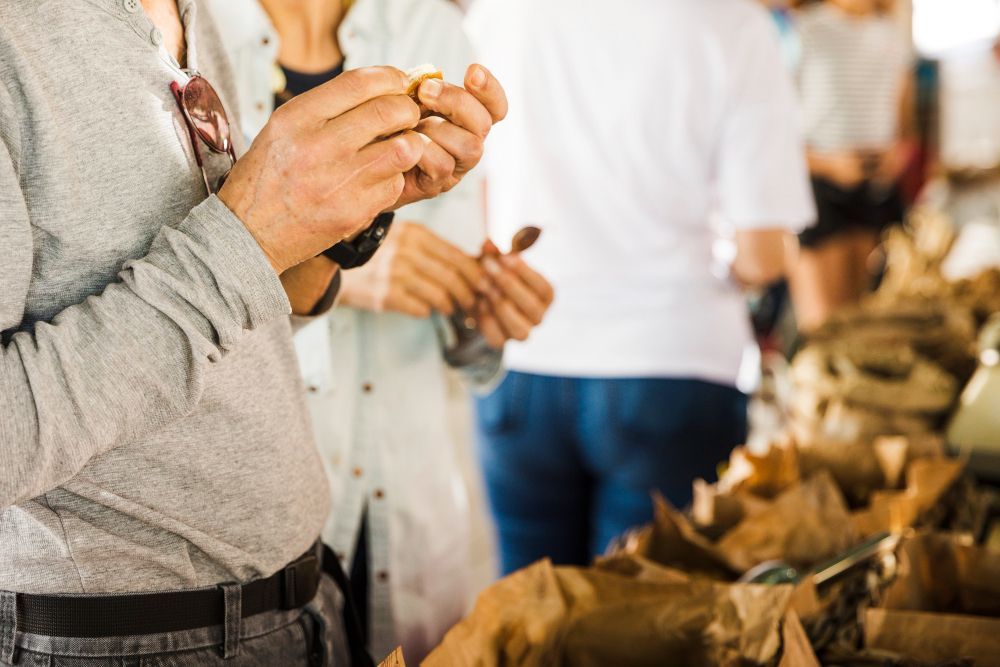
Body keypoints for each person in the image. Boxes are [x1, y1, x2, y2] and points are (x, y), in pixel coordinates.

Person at [0, 0, 508, 665]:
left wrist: (350, 210)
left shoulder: (189, 10)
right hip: (116, 639)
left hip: (299, 608)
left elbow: (243, 317)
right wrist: (244, 236)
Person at [207, 0, 553, 660]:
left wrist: (483, 311)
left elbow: (455, 296)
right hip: (255, 522)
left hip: (413, 488)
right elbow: (168, 308)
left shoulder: (431, 30)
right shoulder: (191, 30)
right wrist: (343, 264)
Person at [466, 0, 816, 575]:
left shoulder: (501, 12)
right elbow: (761, 255)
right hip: (673, 359)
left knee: (525, 623)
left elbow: (473, 203)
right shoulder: (731, 23)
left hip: (521, 356)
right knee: (643, 622)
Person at [788, 0, 915, 332]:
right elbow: (772, 132)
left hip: (875, 189)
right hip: (819, 187)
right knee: (823, 331)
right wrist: (829, 166)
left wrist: (895, 155)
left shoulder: (892, 32)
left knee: (869, 327)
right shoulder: (804, 29)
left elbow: (902, 117)